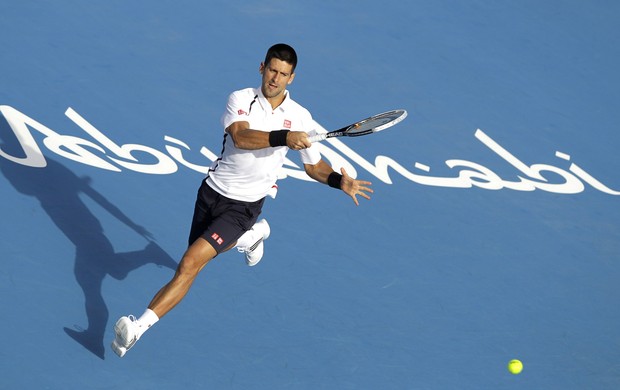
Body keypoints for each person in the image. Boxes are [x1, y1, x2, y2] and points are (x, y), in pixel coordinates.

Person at [111, 43, 373, 357]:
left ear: (292, 78)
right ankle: (253, 236)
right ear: (262, 67)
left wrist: (337, 181)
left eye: (283, 74)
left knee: (190, 264)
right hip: (211, 192)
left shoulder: (300, 117)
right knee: (200, 256)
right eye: (272, 70)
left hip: (244, 205)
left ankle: (137, 328)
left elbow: (313, 165)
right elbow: (241, 137)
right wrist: (283, 137)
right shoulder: (240, 98)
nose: (275, 78)